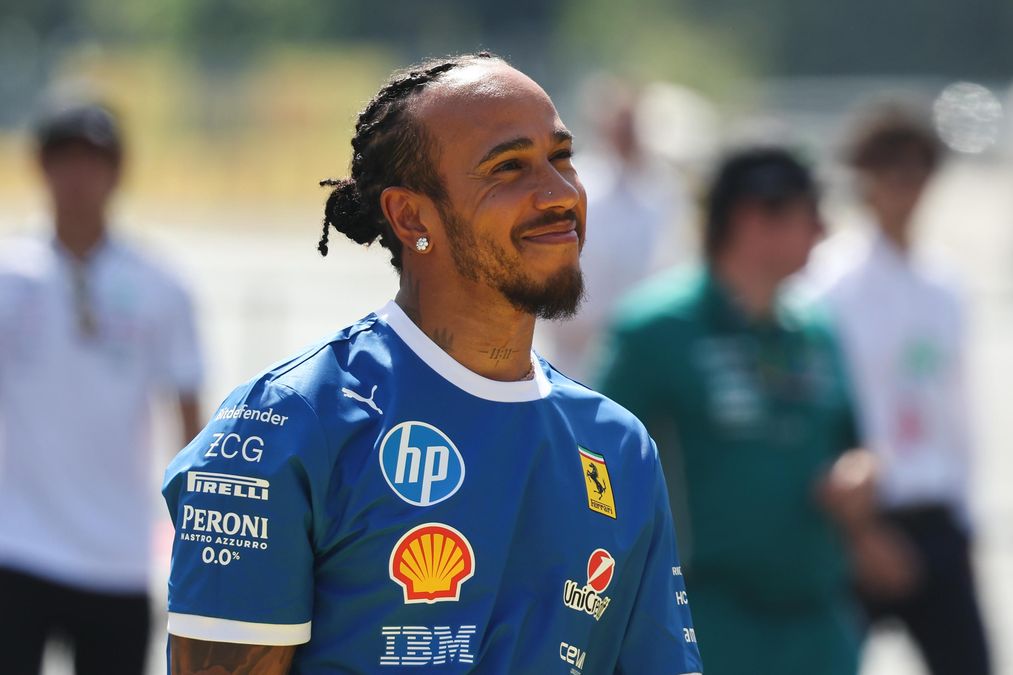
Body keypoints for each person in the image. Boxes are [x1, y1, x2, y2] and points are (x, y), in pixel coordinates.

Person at [162, 52, 702, 675]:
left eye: (561, 157)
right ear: (411, 215)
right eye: (509, 167)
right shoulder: (286, 425)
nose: (559, 194)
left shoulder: (619, 446)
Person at [596, 147, 876, 675]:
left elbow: (851, 441)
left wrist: (859, 474)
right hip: (708, 620)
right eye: (810, 213)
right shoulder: (656, 330)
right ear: (752, 219)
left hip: (820, 622)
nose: (823, 230)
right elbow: (598, 466)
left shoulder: (815, 328)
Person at [0, 101, 204, 675]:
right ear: (41, 167)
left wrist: (194, 534)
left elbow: (188, 415)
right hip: (16, 544)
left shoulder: (159, 284)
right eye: (64, 160)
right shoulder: (10, 275)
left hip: (118, 555)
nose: (78, 177)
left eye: (92, 161)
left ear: (117, 171)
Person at [809, 103, 990, 674]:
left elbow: (957, 408)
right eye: (889, 171)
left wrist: (964, 516)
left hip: (936, 515)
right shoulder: (828, 283)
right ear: (863, 178)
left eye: (917, 171)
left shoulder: (945, 285)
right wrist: (859, 533)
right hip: (859, 520)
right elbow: (819, 410)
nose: (904, 187)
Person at [545, 80, 687, 381]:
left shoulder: (663, 188)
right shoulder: (578, 184)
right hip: (581, 354)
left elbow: (671, 263)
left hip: (645, 352)